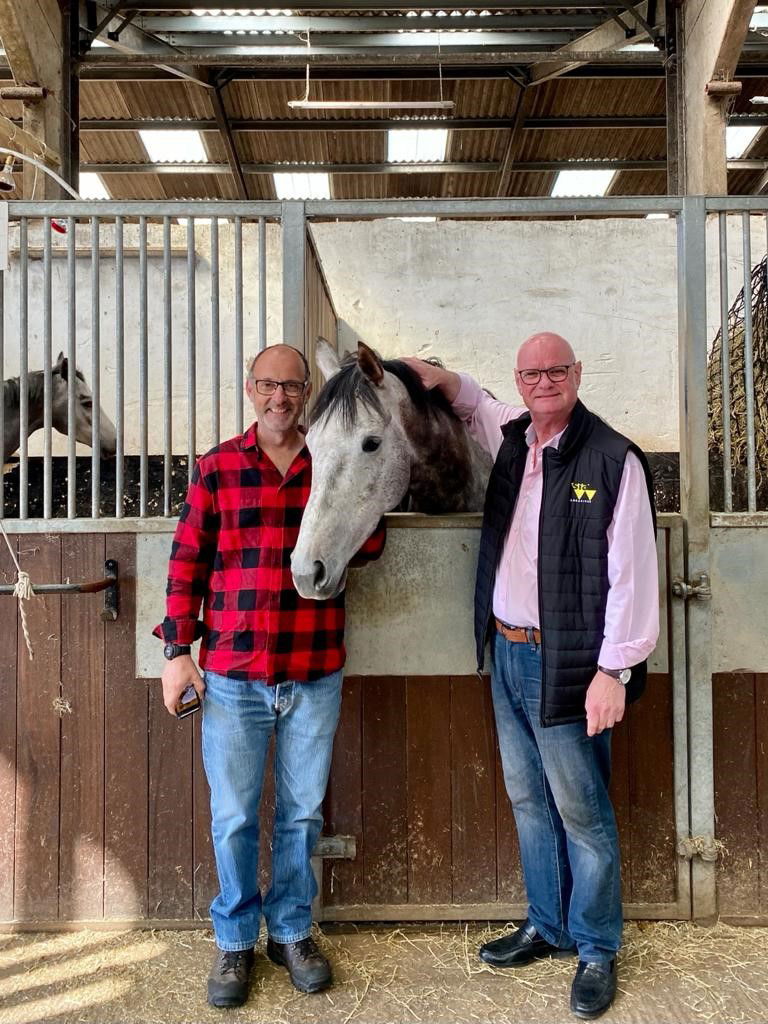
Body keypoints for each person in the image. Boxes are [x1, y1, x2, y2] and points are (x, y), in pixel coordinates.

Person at [403, 333, 658, 1021]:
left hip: (572, 662)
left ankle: (597, 946)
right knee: (528, 799)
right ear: (518, 380)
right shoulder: (513, 435)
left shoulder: (613, 460)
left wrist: (615, 669)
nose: (543, 382)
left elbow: (633, 575)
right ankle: (547, 924)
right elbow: (467, 400)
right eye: (531, 372)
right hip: (509, 652)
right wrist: (424, 371)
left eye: (556, 370)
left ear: (577, 373)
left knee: (582, 810)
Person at [154, 344, 385, 1010]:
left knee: (302, 814)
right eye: (267, 385)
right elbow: (186, 563)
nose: (280, 397)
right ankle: (234, 938)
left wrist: (365, 501)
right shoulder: (219, 466)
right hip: (233, 671)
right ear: (250, 389)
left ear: (307, 390)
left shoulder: (329, 458)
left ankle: (290, 931)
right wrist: (177, 652)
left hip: (314, 668)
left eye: (291, 386)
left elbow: (366, 546)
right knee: (233, 819)